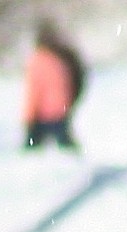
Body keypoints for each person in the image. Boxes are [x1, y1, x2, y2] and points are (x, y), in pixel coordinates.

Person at [23, 20, 84, 150]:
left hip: (43, 112)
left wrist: (29, 115)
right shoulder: (60, 58)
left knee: (31, 149)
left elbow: (34, 91)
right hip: (61, 108)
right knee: (66, 145)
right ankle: (77, 163)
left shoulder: (38, 61)